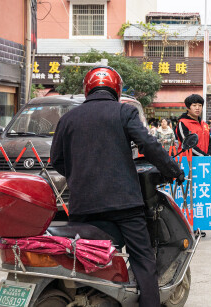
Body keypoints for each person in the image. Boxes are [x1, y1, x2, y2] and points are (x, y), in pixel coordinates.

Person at [51, 66, 184, 307]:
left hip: (84, 206)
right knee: (143, 260)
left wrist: (81, 177)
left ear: (87, 89)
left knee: (82, 259)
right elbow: (149, 145)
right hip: (124, 205)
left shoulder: (68, 118)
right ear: (117, 89)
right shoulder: (124, 112)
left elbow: (57, 160)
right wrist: (173, 170)